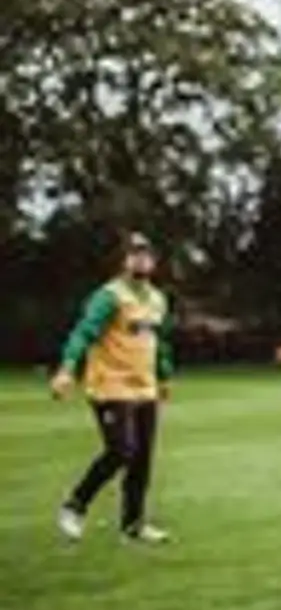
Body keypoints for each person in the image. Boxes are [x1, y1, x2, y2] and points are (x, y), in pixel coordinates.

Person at [51, 231, 175, 545]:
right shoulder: (109, 296)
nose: (141, 259)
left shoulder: (158, 299)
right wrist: (67, 369)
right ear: (124, 260)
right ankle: (75, 505)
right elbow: (83, 333)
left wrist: (164, 378)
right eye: (134, 253)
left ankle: (133, 526)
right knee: (121, 450)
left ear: (154, 261)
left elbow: (158, 343)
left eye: (146, 254)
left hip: (144, 388)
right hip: (110, 386)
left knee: (142, 460)